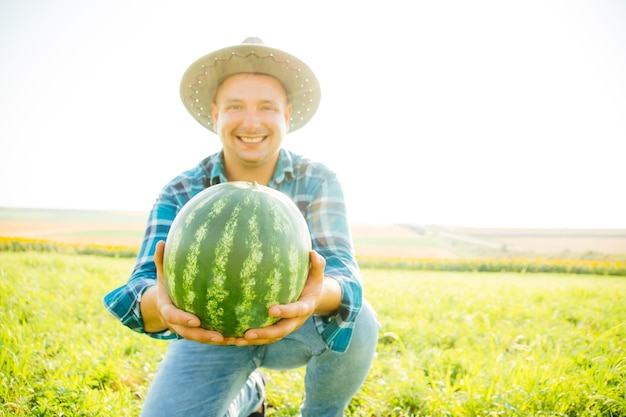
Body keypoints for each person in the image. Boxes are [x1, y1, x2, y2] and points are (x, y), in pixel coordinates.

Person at [103, 37, 380, 417]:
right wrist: (163, 306)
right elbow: (140, 288)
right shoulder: (183, 189)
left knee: (359, 317)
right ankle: (249, 396)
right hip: (204, 333)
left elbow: (343, 272)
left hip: (295, 324)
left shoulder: (317, 180)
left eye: (266, 107)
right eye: (235, 107)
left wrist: (317, 296)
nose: (251, 123)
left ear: (287, 113)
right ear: (216, 112)